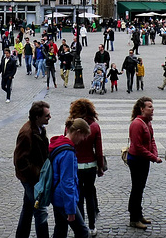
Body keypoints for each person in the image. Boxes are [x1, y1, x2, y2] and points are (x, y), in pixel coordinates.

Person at [14, 101, 51, 238]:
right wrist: (38, 175)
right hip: (31, 178)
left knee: (28, 208)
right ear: (37, 117)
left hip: (35, 176)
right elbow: (21, 162)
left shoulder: (39, 128)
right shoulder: (27, 133)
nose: (50, 117)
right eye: (47, 115)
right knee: (40, 210)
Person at [49, 118, 91, 238]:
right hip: (64, 199)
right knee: (82, 232)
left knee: (60, 229)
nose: (82, 140)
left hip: (56, 196)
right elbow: (67, 182)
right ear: (77, 132)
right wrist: (71, 210)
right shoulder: (68, 153)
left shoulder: (58, 144)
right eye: (83, 136)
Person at [69, 99, 104, 236]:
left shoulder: (71, 126)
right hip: (90, 165)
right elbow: (99, 151)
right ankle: (92, 226)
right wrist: (100, 167)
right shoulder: (94, 127)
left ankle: (81, 224)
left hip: (76, 165)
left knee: (79, 195)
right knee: (90, 195)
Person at [127, 97, 162, 230]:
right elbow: (138, 146)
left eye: (152, 106)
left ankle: (138, 214)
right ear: (142, 109)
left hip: (144, 159)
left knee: (140, 188)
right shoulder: (137, 124)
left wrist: (155, 153)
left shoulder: (147, 122)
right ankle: (134, 218)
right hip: (136, 160)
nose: (152, 109)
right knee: (136, 189)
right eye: (149, 107)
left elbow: (151, 139)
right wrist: (153, 157)